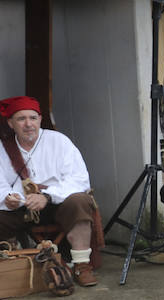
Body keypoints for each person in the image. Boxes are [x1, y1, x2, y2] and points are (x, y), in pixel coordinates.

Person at [0, 96, 101, 286]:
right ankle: (9, 266)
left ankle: (81, 266)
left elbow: (79, 179)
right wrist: (7, 198)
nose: (28, 124)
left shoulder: (59, 142)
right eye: (21, 119)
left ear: (40, 120)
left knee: (80, 201)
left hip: (58, 204)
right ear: (10, 123)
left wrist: (47, 196)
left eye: (33, 118)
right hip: (22, 209)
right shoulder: (2, 149)